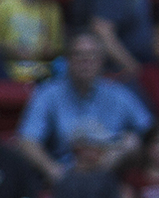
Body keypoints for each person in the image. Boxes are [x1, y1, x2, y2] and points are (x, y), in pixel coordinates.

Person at [18, 29, 152, 178]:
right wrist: (53, 171)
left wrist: (125, 148)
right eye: (78, 54)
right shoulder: (48, 94)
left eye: (92, 55)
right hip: (67, 174)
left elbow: (150, 132)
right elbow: (27, 140)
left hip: (110, 175)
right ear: (67, 60)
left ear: (102, 61)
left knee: (132, 141)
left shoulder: (118, 94)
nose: (86, 60)